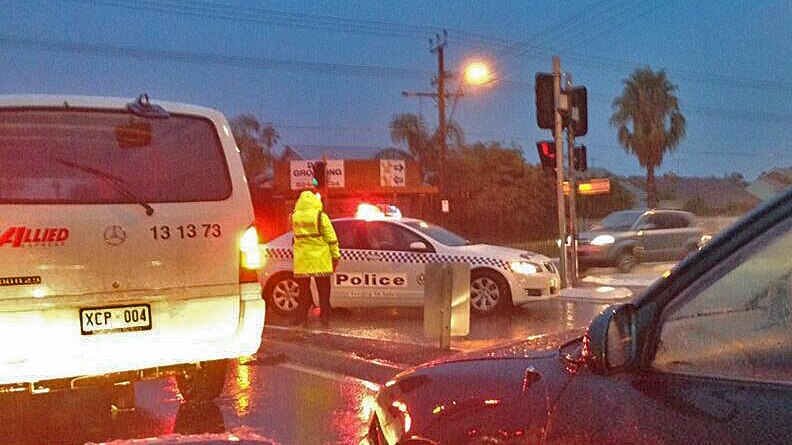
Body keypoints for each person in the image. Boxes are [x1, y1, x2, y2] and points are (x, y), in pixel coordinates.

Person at [290, 189, 340, 325]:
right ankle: (325, 317)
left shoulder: (294, 216)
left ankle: (301, 318)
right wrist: (336, 255)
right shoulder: (320, 216)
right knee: (324, 291)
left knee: (304, 292)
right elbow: (331, 237)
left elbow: (294, 238)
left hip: (302, 259)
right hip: (320, 259)